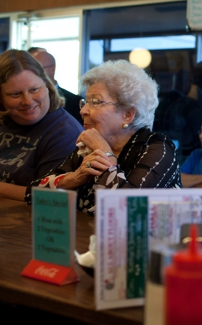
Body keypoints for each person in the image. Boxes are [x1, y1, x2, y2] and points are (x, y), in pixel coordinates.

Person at [27, 59, 181, 213]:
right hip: (86, 236)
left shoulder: (158, 149)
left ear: (127, 115)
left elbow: (130, 210)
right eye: (85, 102)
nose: (83, 111)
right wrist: (75, 178)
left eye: (95, 102)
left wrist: (105, 153)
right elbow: (33, 194)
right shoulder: (88, 149)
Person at [0, 50, 83, 201]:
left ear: (47, 86)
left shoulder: (64, 132)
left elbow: (47, 197)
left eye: (34, 90)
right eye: (15, 94)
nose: (28, 101)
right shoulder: (4, 120)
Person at [28, 47, 83, 124]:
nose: (34, 74)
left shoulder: (75, 102)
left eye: (39, 69)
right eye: (31, 70)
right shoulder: (27, 99)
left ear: (52, 69)